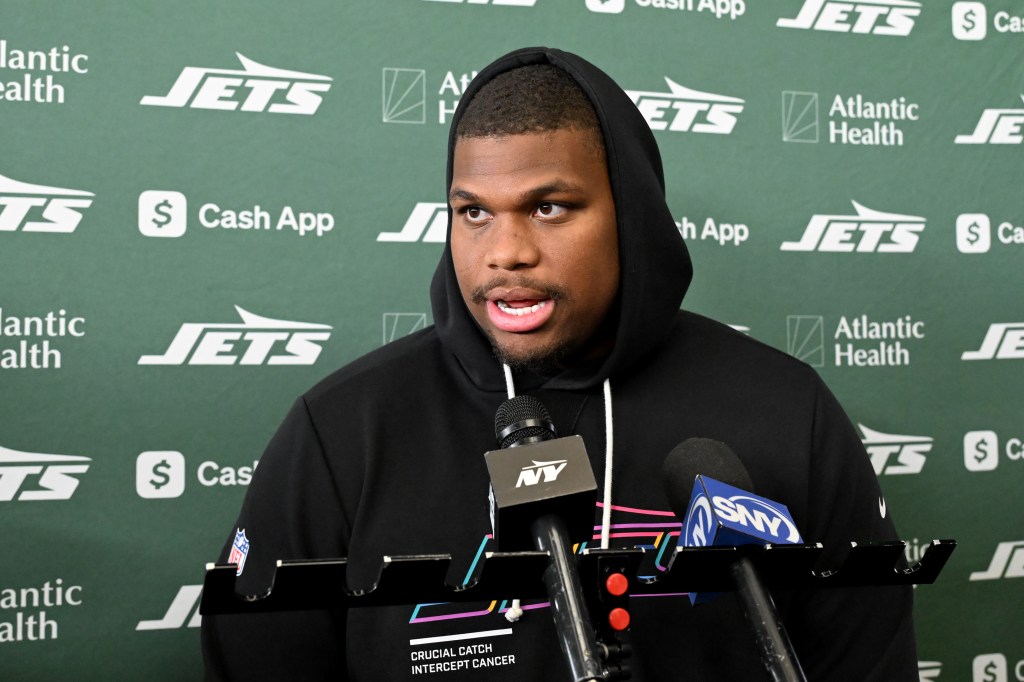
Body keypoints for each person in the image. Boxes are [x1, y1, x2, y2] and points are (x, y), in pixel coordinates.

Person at [202, 47, 917, 680]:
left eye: (549, 208)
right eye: (474, 212)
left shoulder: (786, 410)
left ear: (631, 215)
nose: (504, 251)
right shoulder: (343, 430)